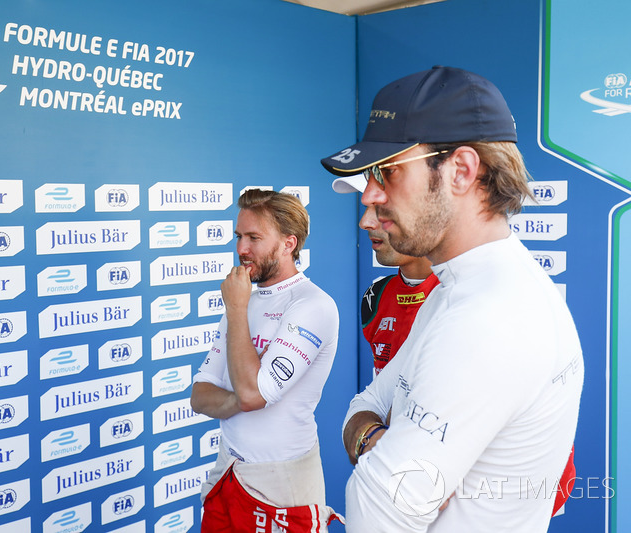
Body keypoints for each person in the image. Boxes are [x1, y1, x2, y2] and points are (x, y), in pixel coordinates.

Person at [320, 66, 583, 531]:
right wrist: (374, 438)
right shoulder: (462, 291)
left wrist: (372, 442)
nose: (371, 197)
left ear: (461, 170)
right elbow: (365, 403)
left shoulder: (493, 314)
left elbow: (375, 505)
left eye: (389, 171)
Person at [191, 188, 342, 532]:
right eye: (239, 236)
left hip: (282, 483)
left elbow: (251, 395)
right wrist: (240, 395)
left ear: (289, 243)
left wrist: (237, 310)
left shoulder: (312, 304)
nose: (241, 249)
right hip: (228, 471)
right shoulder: (242, 301)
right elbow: (200, 395)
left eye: (254, 237)